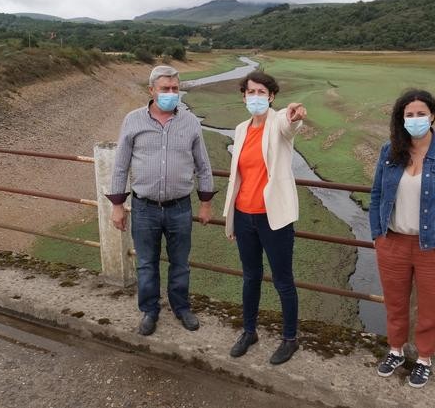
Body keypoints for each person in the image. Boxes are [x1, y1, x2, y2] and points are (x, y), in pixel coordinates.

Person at [369, 89, 435, 388]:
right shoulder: (390, 152)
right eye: (409, 115)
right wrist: (378, 235)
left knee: (430, 306)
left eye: (420, 114)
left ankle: (424, 358)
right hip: (394, 242)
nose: (415, 120)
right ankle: (396, 350)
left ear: (433, 116)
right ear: (402, 119)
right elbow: (376, 195)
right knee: (395, 302)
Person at [108, 65, 214, 336]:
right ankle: (150, 310)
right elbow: (120, 166)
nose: (171, 93)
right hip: (144, 208)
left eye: (175, 89)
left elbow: (203, 165)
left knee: (180, 262)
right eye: (165, 89)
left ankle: (181, 307)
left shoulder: (190, 121)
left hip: (180, 207)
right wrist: (117, 206)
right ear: (151, 90)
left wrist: (205, 202)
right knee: (146, 263)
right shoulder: (133, 120)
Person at [222, 71, 307, 365]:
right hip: (245, 215)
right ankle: (249, 332)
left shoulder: (278, 123)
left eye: (261, 92)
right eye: (250, 92)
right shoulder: (241, 128)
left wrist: (294, 115)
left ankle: (290, 338)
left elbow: (289, 124)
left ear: (271, 96)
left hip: (274, 218)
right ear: (243, 95)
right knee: (250, 277)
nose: (255, 97)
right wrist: (231, 216)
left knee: (283, 280)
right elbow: (237, 177)